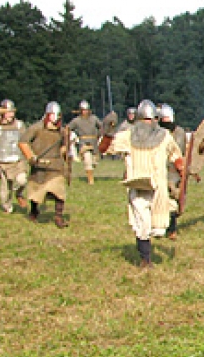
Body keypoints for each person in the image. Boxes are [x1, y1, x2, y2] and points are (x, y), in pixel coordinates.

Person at [109, 100, 184, 268]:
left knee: (158, 227)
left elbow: (175, 155)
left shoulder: (164, 136)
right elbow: (105, 149)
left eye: (151, 120)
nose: (148, 124)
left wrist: (181, 167)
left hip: (159, 187)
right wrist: (107, 131)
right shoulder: (127, 136)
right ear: (139, 119)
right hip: (138, 185)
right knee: (142, 224)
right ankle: (145, 259)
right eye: (145, 120)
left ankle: (147, 251)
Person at [19, 101, 70, 227]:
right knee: (37, 193)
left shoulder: (62, 131)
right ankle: (34, 211)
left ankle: (58, 217)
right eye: (53, 115)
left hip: (56, 165)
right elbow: (23, 142)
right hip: (39, 166)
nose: (55, 118)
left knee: (59, 192)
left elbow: (63, 147)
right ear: (48, 115)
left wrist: (66, 152)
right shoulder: (36, 128)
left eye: (57, 115)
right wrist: (31, 157)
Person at [0, 98, 28, 213]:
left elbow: (26, 140)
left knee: (22, 180)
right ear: (2, 113)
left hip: (18, 161)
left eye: (12, 112)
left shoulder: (19, 125)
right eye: (8, 112)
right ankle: (7, 207)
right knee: (6, 189)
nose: (11, 115)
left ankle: (18, 193)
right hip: (3, 162)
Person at [158, 103, 187, 240]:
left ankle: (172, 229)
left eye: (168, 119)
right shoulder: (156, 132)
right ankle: (162, 227)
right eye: (163, 119)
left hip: (175, 170)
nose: (166, 122)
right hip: (159, 169)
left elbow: (184, 152)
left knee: (174, 200)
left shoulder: (180, 132)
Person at [67, 99, 102, 184]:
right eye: (83, 110)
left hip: (94, 143)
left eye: (86, 110)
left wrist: (100, 135)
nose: (85, 112)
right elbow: (68, 128)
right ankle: (91, 180)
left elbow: (101, 127)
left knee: (94, 162)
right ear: (80, 110)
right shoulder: (76, 120)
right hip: (84, 144)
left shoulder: (94, 119)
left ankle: (91, 171)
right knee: (87, 160)